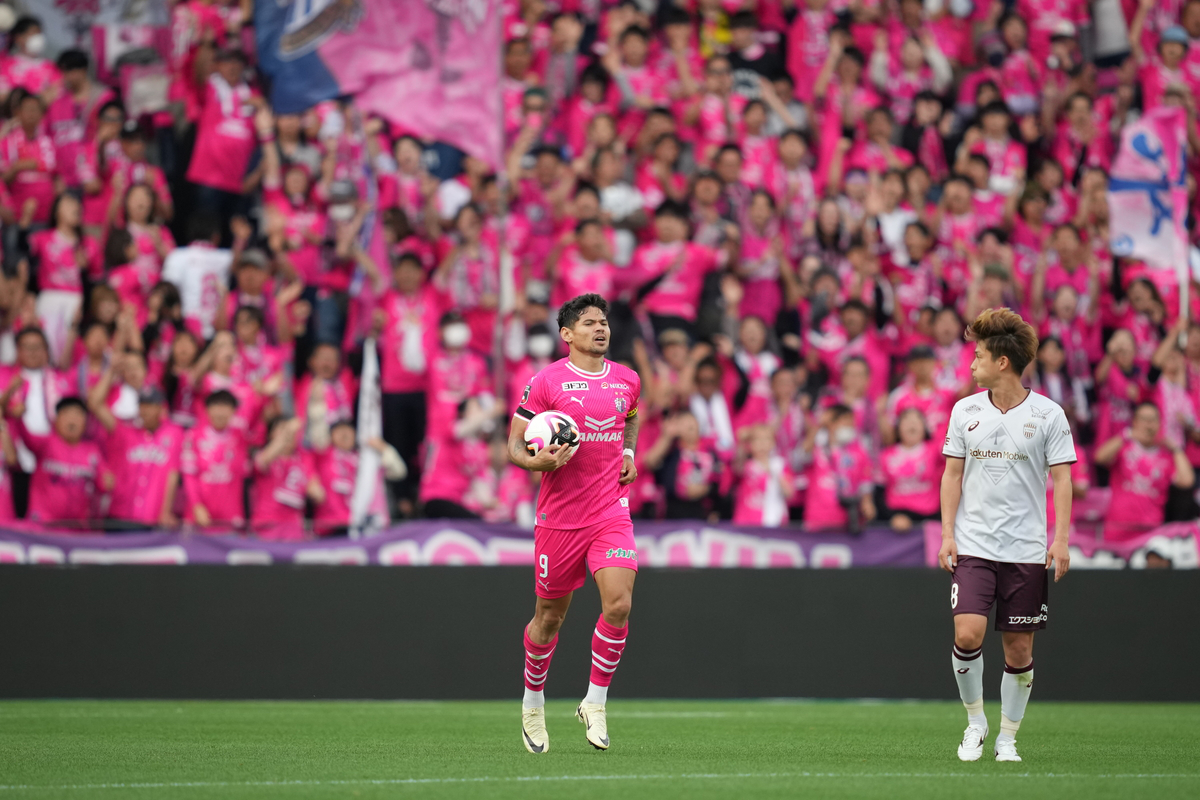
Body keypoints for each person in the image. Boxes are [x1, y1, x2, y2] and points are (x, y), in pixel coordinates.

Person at [940, 308, 1077, 763]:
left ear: (1002, 361)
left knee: (1018, 649)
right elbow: (952, 475)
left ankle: (1007, 739)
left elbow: (1062, 479)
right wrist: (947, 534)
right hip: (975, 544)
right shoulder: (965, 410)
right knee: (967, 632)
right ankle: (976, 721)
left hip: (1024, 549)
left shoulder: (1049, 415)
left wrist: (1060, 539)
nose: (971, 362)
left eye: (978, 354)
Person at [507, 293, 641, 753]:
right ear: (567, 334)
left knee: (619, 604)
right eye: (588, 323)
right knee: (549, 619)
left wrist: (627, 453)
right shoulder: (546, 382)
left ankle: (595, 701)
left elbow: (631, 417)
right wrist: (535, 461)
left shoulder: (627, 379)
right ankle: (532, 702)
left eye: (602, 322)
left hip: (610, 510)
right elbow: (514, 445)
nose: (599, 329)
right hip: (560, 518)